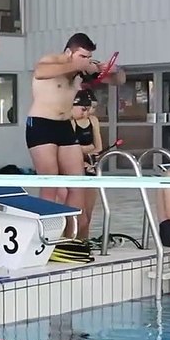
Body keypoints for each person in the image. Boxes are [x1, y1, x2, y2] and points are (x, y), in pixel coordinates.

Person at [26, 33, 124, 221]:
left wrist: (111, 69)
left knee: (77, 182)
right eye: (82, 56)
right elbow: (40, 72)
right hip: (41, 124)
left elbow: (119, 80)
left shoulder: (82, 70)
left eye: (88, 57)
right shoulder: (51, 60)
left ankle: (72, 233)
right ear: (69, 52)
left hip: (64, 125)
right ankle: (47, 231)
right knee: (50, 181)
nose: (86, 61)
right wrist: (76, 66)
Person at [69, 88, 103, 241]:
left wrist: (84, 152)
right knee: (78, 214)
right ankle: (72, 241)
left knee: (88, 215)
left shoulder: (93, 121)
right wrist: (85, 151)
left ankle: (84, 243)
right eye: (85, 108)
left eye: (91, 108)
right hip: (75, 168)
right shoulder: (70, 121)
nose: (88, 112)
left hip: (90, 167)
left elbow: (99, 148)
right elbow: (70, 148)